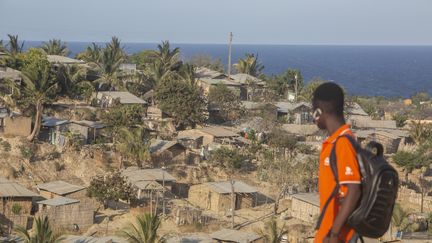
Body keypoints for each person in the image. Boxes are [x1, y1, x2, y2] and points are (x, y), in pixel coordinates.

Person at [312, 82, 361, 243]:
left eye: (313, 111)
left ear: (319, 111)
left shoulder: (343, 142)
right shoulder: (335, 142)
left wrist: (334, 234)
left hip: (339, 237)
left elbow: (354, 190)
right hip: (328, 233)